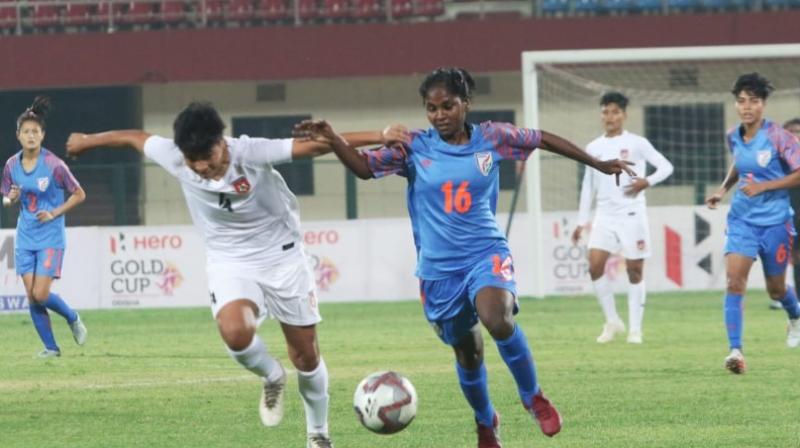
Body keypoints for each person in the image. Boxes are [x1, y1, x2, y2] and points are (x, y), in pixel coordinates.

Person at [294, 67, 636, 448]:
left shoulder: (493, 137)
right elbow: (362, 168)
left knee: (497, 317)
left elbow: (543, 139)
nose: (440, 115)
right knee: (468, 352)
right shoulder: (415, 147)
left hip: (485, 251)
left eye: (448, 106)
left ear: (465, 104)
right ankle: (486, 422)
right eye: (432, 108)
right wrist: (334, 139)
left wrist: (598, 164)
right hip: (439, 272)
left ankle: (533, 396)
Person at [65, 102, 405, 448]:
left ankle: (318, 435)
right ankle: (272, 376)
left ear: (221, 142)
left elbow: (320, 144)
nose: (202, 169)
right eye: (193, 163)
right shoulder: (174, 155)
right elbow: (134, 137)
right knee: (235, 333)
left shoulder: (251, 152)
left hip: (283, 258)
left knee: (305, 356)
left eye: (209, 160)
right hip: (230, 261)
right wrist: (87, 140)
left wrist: (380, 135)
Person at [705, 73, 800, 375]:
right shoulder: (733, 134)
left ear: (764, 104)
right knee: (734, 282)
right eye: (741, 101)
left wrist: (764, 186)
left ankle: (795, 316)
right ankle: (735, 350)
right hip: (742, 221)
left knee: (775, 290)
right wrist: (723, 189)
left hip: (775, 224)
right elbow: (738, 163)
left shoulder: (779, 137)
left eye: (753, 101)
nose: (747, 107)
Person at [570, 92, 674, 344]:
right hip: (604, 215)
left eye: (615, 112)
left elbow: (666, 166)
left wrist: (646, 181)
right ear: (601, 115)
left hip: (631, 213)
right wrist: (581, 221)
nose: (610, 117)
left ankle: (635, 330)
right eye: (606, 111)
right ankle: (612, 321)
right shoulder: (594, 147)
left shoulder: (638, 143)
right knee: (594, 265)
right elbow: (588, 186)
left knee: (634, 270)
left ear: (624, 115)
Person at [1, 96, 88, 358]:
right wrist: (10, 199)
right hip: (25, 236)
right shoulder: (11, 165)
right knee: (31, 295)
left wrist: (54, 213)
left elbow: (79, 194)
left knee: (41, 293)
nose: (30, 135)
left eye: (35, 131)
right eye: (26, 131)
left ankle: (72, 317)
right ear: (18, 135)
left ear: (42, 135)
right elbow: (7, 197)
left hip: (50, 236)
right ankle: (51, 348)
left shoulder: (54, 165)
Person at [771, 118, 800, 310]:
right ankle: (788, 296)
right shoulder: (778, 161)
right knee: (793, 257)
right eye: (791, 132)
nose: (795, 136)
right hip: (787, 213)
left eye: (798, 132)